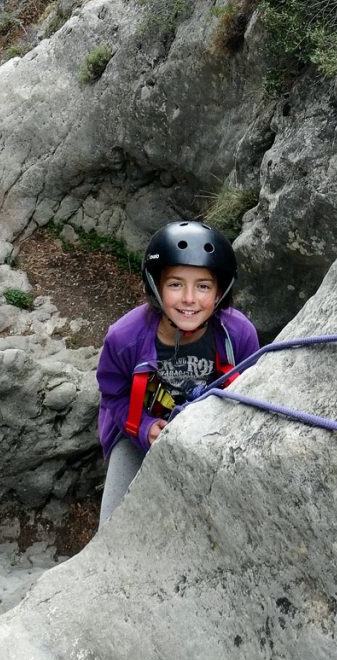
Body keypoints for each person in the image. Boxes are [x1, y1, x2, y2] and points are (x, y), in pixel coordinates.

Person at [96, 219, 259, 525]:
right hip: (137, 435)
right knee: (113, 525)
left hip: (212, 431)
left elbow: (253, 391)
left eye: (203, 286)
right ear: (156, 286)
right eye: (175, 284)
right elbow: (113, 395)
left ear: (220, 291)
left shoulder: (238, 335)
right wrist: (143, 428)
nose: (189, 298)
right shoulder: (123, 338)